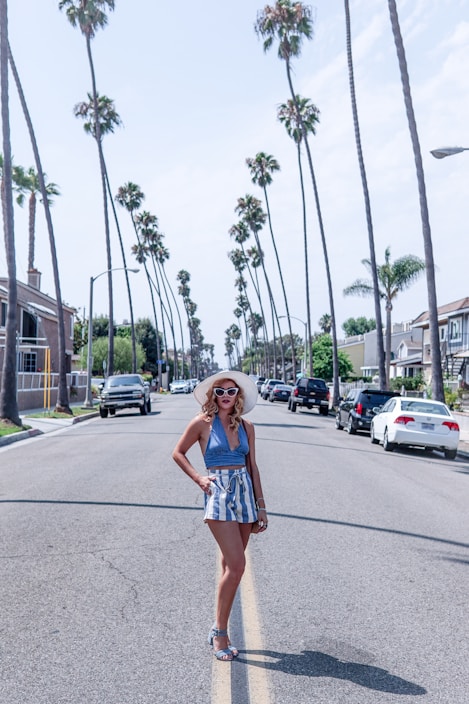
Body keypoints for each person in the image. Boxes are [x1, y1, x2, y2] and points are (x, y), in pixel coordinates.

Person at [172, 370, 267, 662]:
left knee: (230, 566)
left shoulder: (247, 426)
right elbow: (178, 453)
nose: (226, 396)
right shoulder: (202, 423)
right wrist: (199, 479)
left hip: (245, 495)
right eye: (220, 391)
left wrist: (261, 505)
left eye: (231, 391)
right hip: (219, 494)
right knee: (238, 566)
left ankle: (218, 624)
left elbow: (252, 466)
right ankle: (220, 632)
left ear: (238, 396)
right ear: (212, 395)